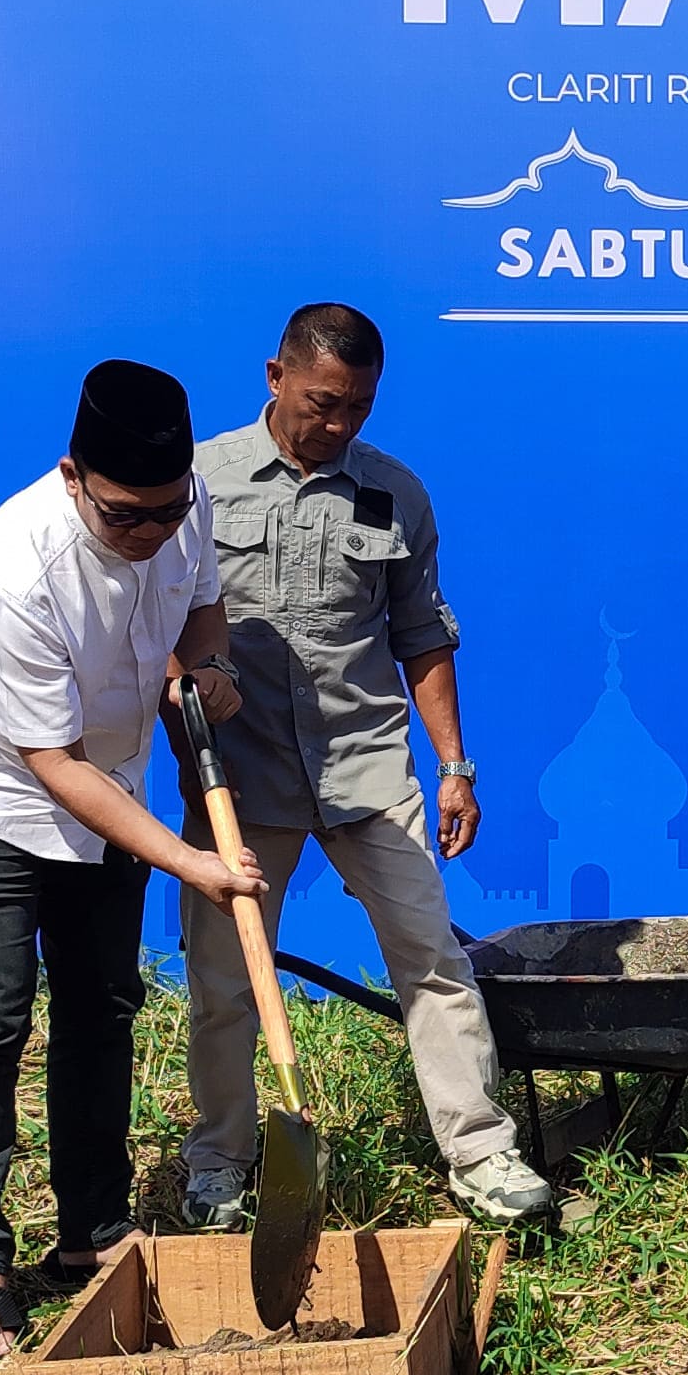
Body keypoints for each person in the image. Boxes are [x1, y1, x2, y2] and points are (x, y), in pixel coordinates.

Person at [0, 360, 267, 1364]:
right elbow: (51, 764)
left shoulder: (181, 506)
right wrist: (192, 862)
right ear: (73, 477)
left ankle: (92, 1228)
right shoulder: (16, 571)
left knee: (103, 1002)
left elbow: (200, 606)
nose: (149, 532)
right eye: (123, 516)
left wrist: (209, 667)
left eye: (165, 511)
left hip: (107, 774)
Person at [179, 304, 550, 1229]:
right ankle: (220, 1163)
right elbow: (159, 619)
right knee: (225, 983)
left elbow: (423, 634)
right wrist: (190, 710)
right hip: (242, 780)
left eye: (358, 407)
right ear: (275, 377)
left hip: (367, 768)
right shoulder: (201, 484)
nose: (338, 424)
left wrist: (456, 765)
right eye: (322, 403)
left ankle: (482, 1155)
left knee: (433, 959)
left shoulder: (395, 493)